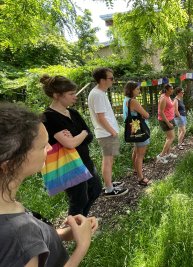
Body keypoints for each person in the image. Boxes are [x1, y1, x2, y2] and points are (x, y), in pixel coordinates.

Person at [0, 102, 98, 267]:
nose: (49, 148)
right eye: (42, 146)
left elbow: (31, 243)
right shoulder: (17, 234)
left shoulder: (7, 204)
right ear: (10, 165)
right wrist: (81, 247)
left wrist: (65, 234)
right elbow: (22, 244)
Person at [40, 75, 102, 216]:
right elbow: (70, 143)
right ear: (57, 95)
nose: (75, 97)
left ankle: (81, 222)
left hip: (84, 160)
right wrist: (82, 135)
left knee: (95, 190)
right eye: (71, 94)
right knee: (79, 199)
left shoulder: (73, 112)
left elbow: (89, 135)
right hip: (68, 165)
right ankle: (74, 231)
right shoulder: (49, 117)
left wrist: (80, 136)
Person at [88, 67, 128, 197]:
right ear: (102, 80)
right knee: (107, 160)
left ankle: (108, 183)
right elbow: (101, 117)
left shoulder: (99, 93)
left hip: (107, 133)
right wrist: (113, 132)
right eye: (111, 78)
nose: (113, 80)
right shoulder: (98, 94)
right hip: (107, 134)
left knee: (109, 160)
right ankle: (109, 189)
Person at [123, 81, 151, 186]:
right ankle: (141, 178)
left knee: (136, 151)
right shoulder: (134, 101)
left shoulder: (126, 100)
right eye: (137, 89)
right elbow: (146, 115)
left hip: (133, 128)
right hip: (139, 128)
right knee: (140, 154)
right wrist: (144, 115)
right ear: (131, 90)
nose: (139, 91)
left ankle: (136, 170)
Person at [156, 84, 177, 164]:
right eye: (171, 89)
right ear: (167, 90)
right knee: (171, 138)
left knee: (169, 137)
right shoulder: (163, 98)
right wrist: (168, 123)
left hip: (170, 119)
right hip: (165, 121)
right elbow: (161, 112)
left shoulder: (167, 96)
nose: (172, 90)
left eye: (172, 89)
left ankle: (168, 154)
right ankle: (161, 156)